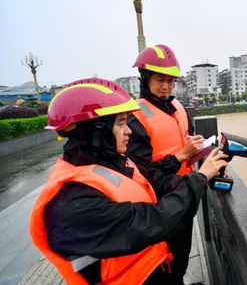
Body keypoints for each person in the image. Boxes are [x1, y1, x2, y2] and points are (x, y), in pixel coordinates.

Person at [29, 78, 227, 285]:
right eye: (121, 123)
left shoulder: (110, 161)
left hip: (155, 269)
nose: (129, 130)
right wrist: (199, 177)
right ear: (96, 129)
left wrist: (198, 177)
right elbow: (148, 222)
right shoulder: (74, 201)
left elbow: (153, 183)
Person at [126, 44, 207, 284]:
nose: (167, 87)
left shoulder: (179, 108)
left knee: (181, 255)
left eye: (171, 81)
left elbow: (186, 141)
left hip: (183, 194)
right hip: (159, 205)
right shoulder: (134, 117)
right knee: (164, 263)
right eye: (161, 80)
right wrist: (180, 157)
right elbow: (139, 174)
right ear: (145, 78)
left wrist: (198, 147)